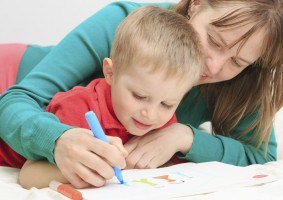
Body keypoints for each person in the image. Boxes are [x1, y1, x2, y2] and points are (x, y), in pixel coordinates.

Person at [0, 0, 283, 189]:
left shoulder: (244, 80)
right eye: (213, 41)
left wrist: (187, 137)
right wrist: (57, 140)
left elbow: (261, 156)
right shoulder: (124, 22)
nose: (213, 65)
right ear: (195, 4)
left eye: (237, 61)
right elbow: (16, 101)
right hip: (10, 75)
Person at [12, 6, 202, 189]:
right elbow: (29, 175)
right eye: (139, 96)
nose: (151, 114)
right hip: (10, 67)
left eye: (167, 104)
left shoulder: (163, 122)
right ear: (110, 73)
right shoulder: (79, 107)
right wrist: (93, 166)